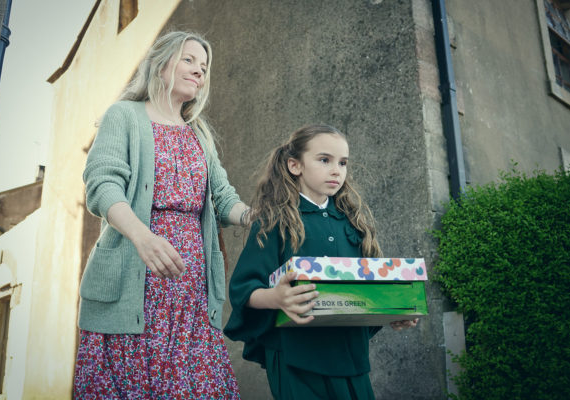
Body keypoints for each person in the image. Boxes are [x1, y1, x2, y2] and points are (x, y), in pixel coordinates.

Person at [74, 31, 247, 399]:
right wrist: (143, 238)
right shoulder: (124, 115)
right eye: (189, 60)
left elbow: (223, 198)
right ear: (161, 63)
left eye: (204, 67)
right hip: (133, 286)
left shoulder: (199, 134)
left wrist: (258, 216)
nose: (199, 71)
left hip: (191, 296)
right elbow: (102, 184)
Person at [224, 124, 418, 400]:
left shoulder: (354, 224)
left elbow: (367, 292)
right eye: (324, 160)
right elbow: (243, 289)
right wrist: (277, 297)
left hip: (351, 358)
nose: (336, 170)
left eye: (343, 163)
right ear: (295, 165)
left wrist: (392, 312)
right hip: (295, 358)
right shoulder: (273, 221)